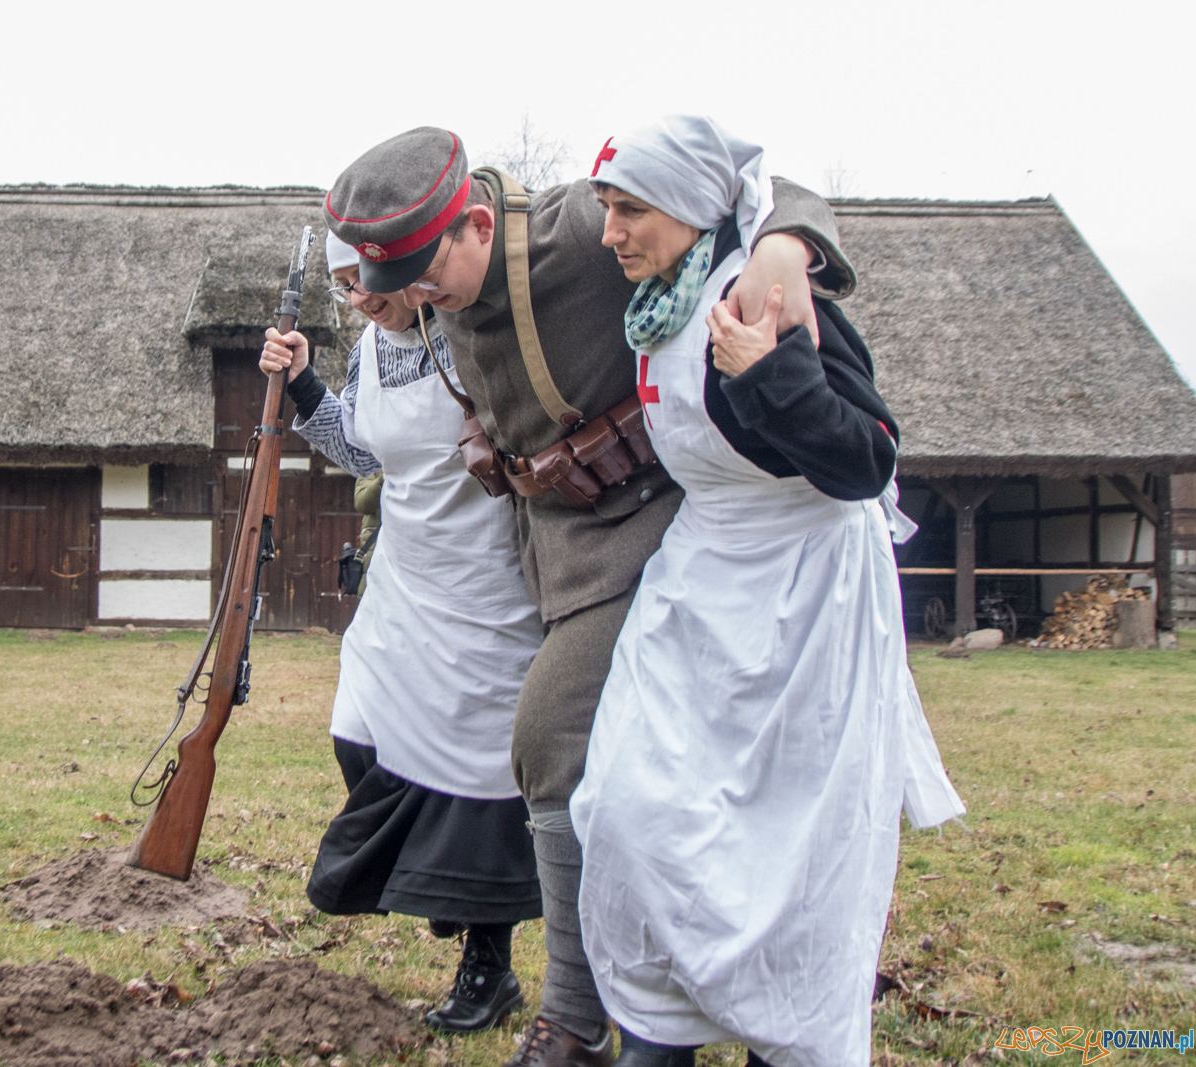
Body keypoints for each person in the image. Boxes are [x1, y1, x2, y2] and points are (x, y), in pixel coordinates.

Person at [323, 127, 855, 1067]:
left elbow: (751, 183)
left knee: (549, 739)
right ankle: (653, 996)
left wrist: (784, 245)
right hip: (546, 553)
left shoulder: (580, 228)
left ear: (477, 223)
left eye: (423, 276)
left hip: (642, 533)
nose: (414, 299)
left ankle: (575, 1018)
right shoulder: (433, 281)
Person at [568, 117, 966, 1067]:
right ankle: (659, 1026)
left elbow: (867, 460)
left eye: (632, 211)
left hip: (806, 595)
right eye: (608, 210)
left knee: (787, 845)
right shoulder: (660, 304)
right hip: (703, 579)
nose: (613, 232)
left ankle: (781, 1036)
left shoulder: (764, 296)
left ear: (694, 211)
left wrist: (773, 370)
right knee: (627, 803)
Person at [261, 232, 545, 1034]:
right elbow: (360, 448)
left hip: (487, 580)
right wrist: (301, 384)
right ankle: (440, 883)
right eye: (346, 284)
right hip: (403, 578)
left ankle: (489, 968)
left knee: (480, 777)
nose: (362, 296)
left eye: (370, 279)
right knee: (360, 732)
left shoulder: (468, 335)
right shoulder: (367, 349)